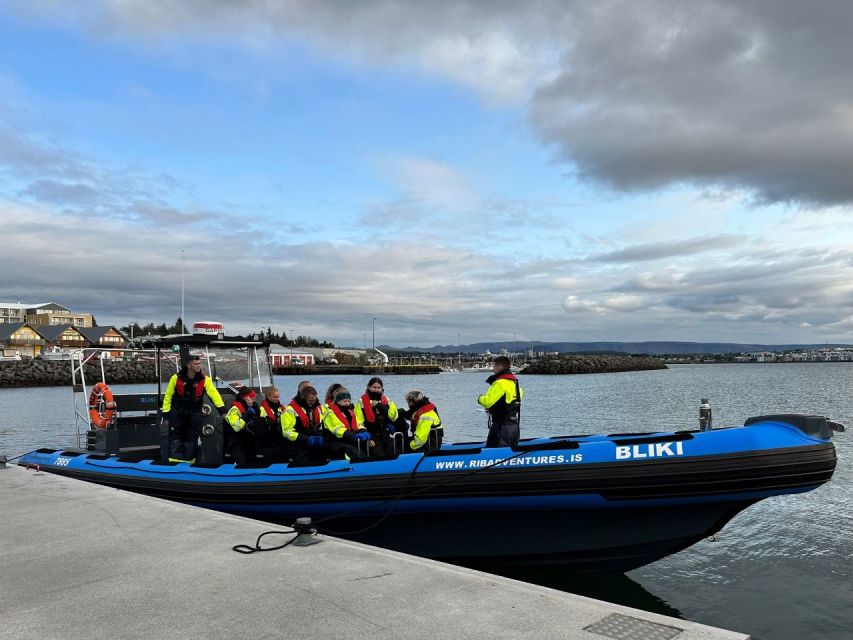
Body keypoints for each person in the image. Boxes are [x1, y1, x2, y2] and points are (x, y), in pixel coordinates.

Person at [160, 354, 227, 463]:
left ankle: (189, 465)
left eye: (199, 363)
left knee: (191, 440)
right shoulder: (175, 378)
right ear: (188, 365)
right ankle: (174, 465)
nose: (198, 366)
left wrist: (223, 411)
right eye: (196, 364)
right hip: (177, 414)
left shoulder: (205, 380)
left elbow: (215, 395)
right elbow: (167, 397)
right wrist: (166, 416)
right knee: (176, 440)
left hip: (194, 414)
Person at [478, 355, 523, 448]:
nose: (493, 369)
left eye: (494, 366)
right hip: (514, 427)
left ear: (500, 367)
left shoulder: (500, 383)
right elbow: (510, 403)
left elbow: (487, 402)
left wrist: (480, 398)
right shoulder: (515, 384)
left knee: (494, 454)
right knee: (510, 454)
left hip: (501, 427)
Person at [355, 377, 406, 456]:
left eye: (378, 387)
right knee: (379, 455)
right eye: (374, 387)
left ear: (382, 389)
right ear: (369, 387)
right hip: (372, 436)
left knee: (394, 453)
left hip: (385, 434)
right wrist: (367, 437)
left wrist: (379, 405)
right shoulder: (361, 402)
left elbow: (394, 416)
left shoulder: (386, 400)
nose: (376, 389)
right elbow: (358, 422)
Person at [322, 386, 372, 459]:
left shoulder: (350, 412)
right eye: (344, 401)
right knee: (351, 450)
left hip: (348, 439)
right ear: (338, 401)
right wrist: (353, 436)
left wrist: (365, 432)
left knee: (367, 444)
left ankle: (370, 462)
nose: (347, 403)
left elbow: (358, 425)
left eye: (348, 401)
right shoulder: (330, 412)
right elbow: (338, 429)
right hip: (334, 442)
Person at [282, 385, 327, 463]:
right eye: (310, 401)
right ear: (303, 398)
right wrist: (306, 438)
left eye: (314, 400)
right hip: (297, 443)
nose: (313, 403)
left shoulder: (318, 408)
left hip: (314, 440)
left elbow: (322, 425)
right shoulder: (289, 411)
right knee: (304, 457)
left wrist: (321, 436)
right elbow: (287, 432)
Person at [224, 387, 260, 465]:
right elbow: (237, 427)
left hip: (250, 441)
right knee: (240, 461)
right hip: (237, 443)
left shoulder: (253, 407)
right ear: (246, 398)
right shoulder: (234, 410)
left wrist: (252, 409)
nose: (254, 400)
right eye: (252, 398)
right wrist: (246, 415)